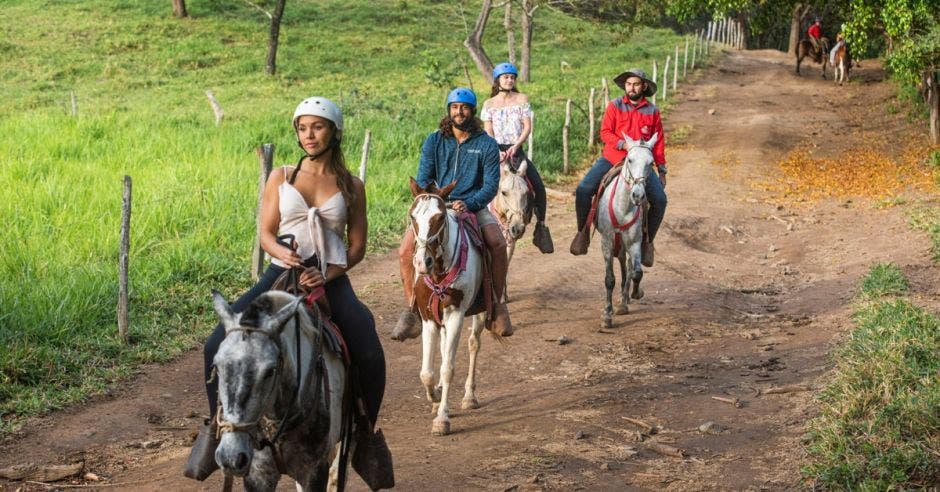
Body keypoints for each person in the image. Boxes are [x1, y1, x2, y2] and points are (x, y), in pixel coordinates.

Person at [184, 97, 392, 487]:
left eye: (317, 126)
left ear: (334, 131)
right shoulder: (281, 176)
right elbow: (265, 232)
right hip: (280, 273)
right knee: (216, 345)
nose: (308, 135)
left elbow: (357, 248)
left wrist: (326, 275)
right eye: (302, 127)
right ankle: (216, 428)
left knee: (367, 346)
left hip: (329, 279)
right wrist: (280, 252)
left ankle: (365, 436)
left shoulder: (352, 186)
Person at [390, 87, 514, 340]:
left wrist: (469, 202)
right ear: (449, 110)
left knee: (498, 244)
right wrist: (433, 200)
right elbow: (424, 177)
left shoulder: (487, 144)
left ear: (473, 111)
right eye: (455, 107)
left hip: (472, 206)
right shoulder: (434, 140)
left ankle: (497, 306)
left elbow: (490, 184)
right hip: (436, 206)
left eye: (464, 107)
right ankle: (412, 308)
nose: (459, 112)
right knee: (404, 251)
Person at [569, 69, 667, 266]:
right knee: (583, 190)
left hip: (640, 164)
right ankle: (583, 232)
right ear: (625, 86)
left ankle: (648, 242)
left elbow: (659, 142)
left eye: (636, 84)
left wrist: (662, 168)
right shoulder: (614, 106)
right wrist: (623, 144)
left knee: (660, 200)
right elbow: (605, 132)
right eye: (629, 84)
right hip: (613, 158)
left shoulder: (653, 111)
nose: (632, 88)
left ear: (644, 86)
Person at [480, 62, 554, 254]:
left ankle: (541, 226)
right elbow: (488, 131)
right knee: (477, 182)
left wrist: (516, 146)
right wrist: (496, 149)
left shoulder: (522, 99)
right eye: (506, 77)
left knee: (538, 186)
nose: (509, 80)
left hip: (516, 151)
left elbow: (527, 127)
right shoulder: (489, 104)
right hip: (495, 152)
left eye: (512, 77)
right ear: (498, 80)